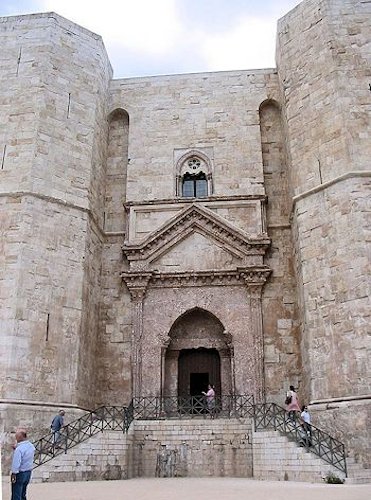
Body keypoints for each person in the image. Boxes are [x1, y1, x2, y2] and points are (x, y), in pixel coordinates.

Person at [10, 429, 35, 500]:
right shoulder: (31, 446)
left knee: (16, 494)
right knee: (23, 493)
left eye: (17, 437)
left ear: (20, 437)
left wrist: (14, 473)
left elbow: (16, 463)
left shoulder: (19, 449)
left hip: (20, 473)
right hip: (28, 472)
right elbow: (27, 455)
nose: (16, 438)